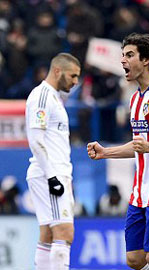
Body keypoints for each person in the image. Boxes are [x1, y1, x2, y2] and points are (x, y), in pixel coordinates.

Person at [87, 33, 149, 270]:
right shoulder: (135, 100)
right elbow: (137, 146)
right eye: (122, 55)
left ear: (146, 60)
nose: (122, 61)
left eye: (129, 55)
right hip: (140, 190)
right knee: (135, 259)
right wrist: (105, 153)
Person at [25, 53, 81, 270]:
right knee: (65, 232)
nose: (75, 82)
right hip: (50, 173)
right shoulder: (42, 97)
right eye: (73, 76)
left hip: (54, 172)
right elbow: (35, 140)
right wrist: (52, 177)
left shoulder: (54, 97)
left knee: (48, 233)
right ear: (58, 71)